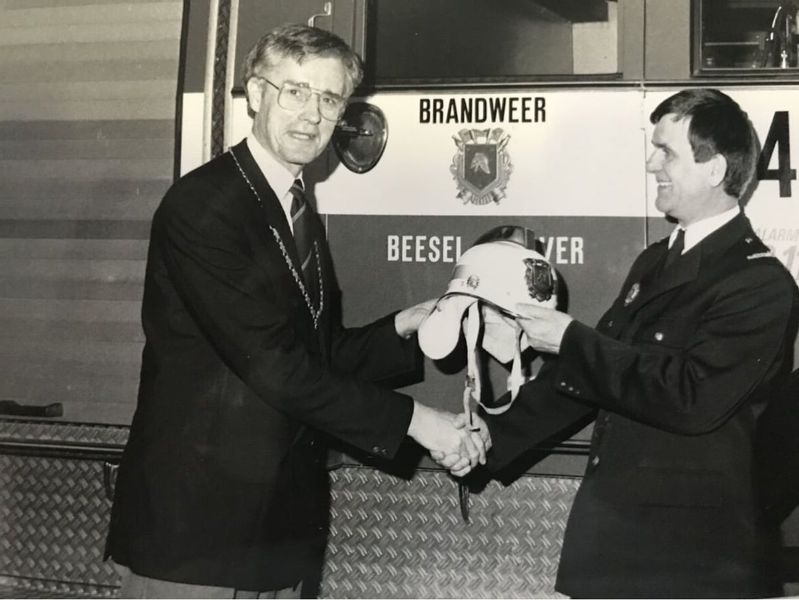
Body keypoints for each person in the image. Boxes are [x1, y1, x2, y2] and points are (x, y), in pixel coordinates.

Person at [105, 23, 489, 598]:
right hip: (198, 537)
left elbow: (318, 354)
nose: (312, 114)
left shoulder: (291, 205)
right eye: (296, 91)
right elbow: (274, 367)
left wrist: (409, 323)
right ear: (256, 94)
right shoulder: (206, 206)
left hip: (274, 532)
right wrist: (420, 422)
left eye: (330, 99)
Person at [481, 88, 799, 598]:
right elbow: (592, 377)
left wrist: (570, 339)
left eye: (666, 153)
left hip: (691, 562)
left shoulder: (759, 282)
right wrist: (482, 438)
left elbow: (690, 397)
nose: (652, 165)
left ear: (714, 169)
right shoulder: (654, 261)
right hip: (614, 543)